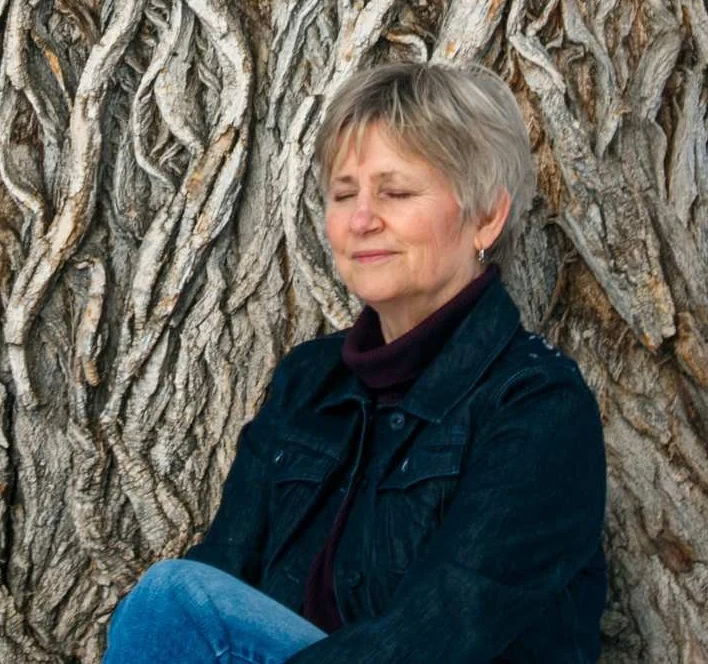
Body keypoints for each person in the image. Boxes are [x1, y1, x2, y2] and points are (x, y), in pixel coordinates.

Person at [103, 62, 607, 664]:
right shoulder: (308, 382)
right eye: (344, 194)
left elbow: (442, 634)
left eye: (396, 192)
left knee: (171, 599)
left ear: (486, 217)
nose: (361, 219)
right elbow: (225, 568)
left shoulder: (535, 403)